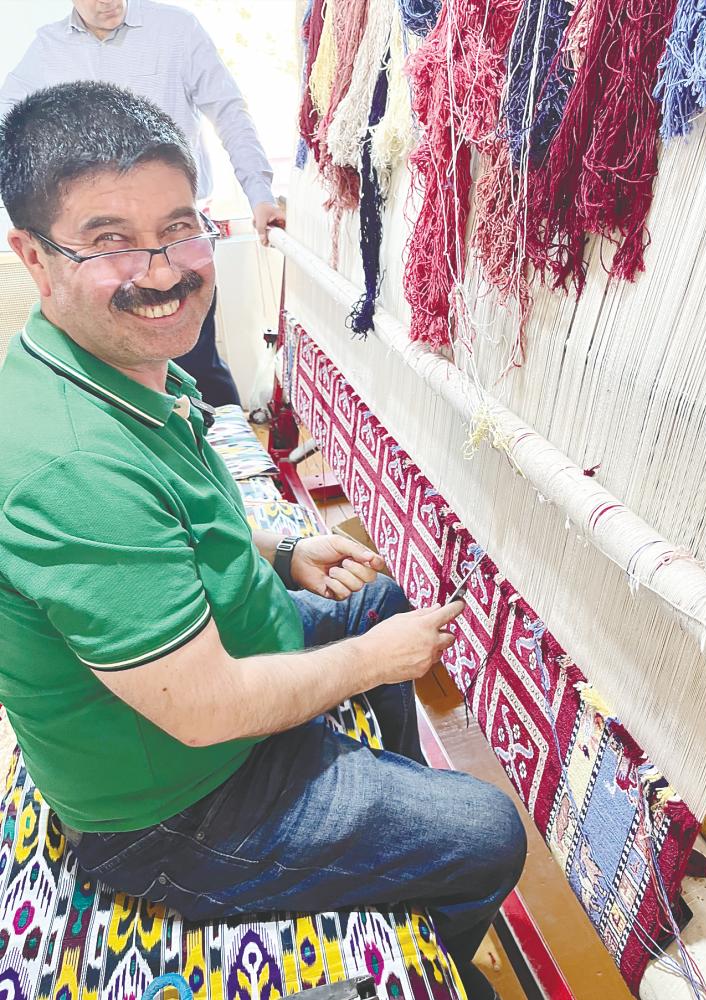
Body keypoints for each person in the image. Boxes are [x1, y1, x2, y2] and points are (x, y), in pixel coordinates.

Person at [0, 82, 525, 1000]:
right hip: (173, 803)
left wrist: (280, 556)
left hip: (213, 671)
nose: (162, 270)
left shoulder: (117, 369)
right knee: (489, 835)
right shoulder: (67, 468)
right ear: (34, 261)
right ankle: (424, 954)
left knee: (379, 603)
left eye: (178, 226)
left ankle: (386, 814)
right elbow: (205, 710)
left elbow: (172, 510)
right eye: (110, 242)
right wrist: (369, 663)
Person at [0, 0, 285, 407]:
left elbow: (230, 112)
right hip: (100, 247)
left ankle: (226, 462)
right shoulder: (46, 51)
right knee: (117, 366)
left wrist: (260, 195)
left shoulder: (176, 29)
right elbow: (8, 138)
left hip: (176, 231)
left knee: (196, 362)